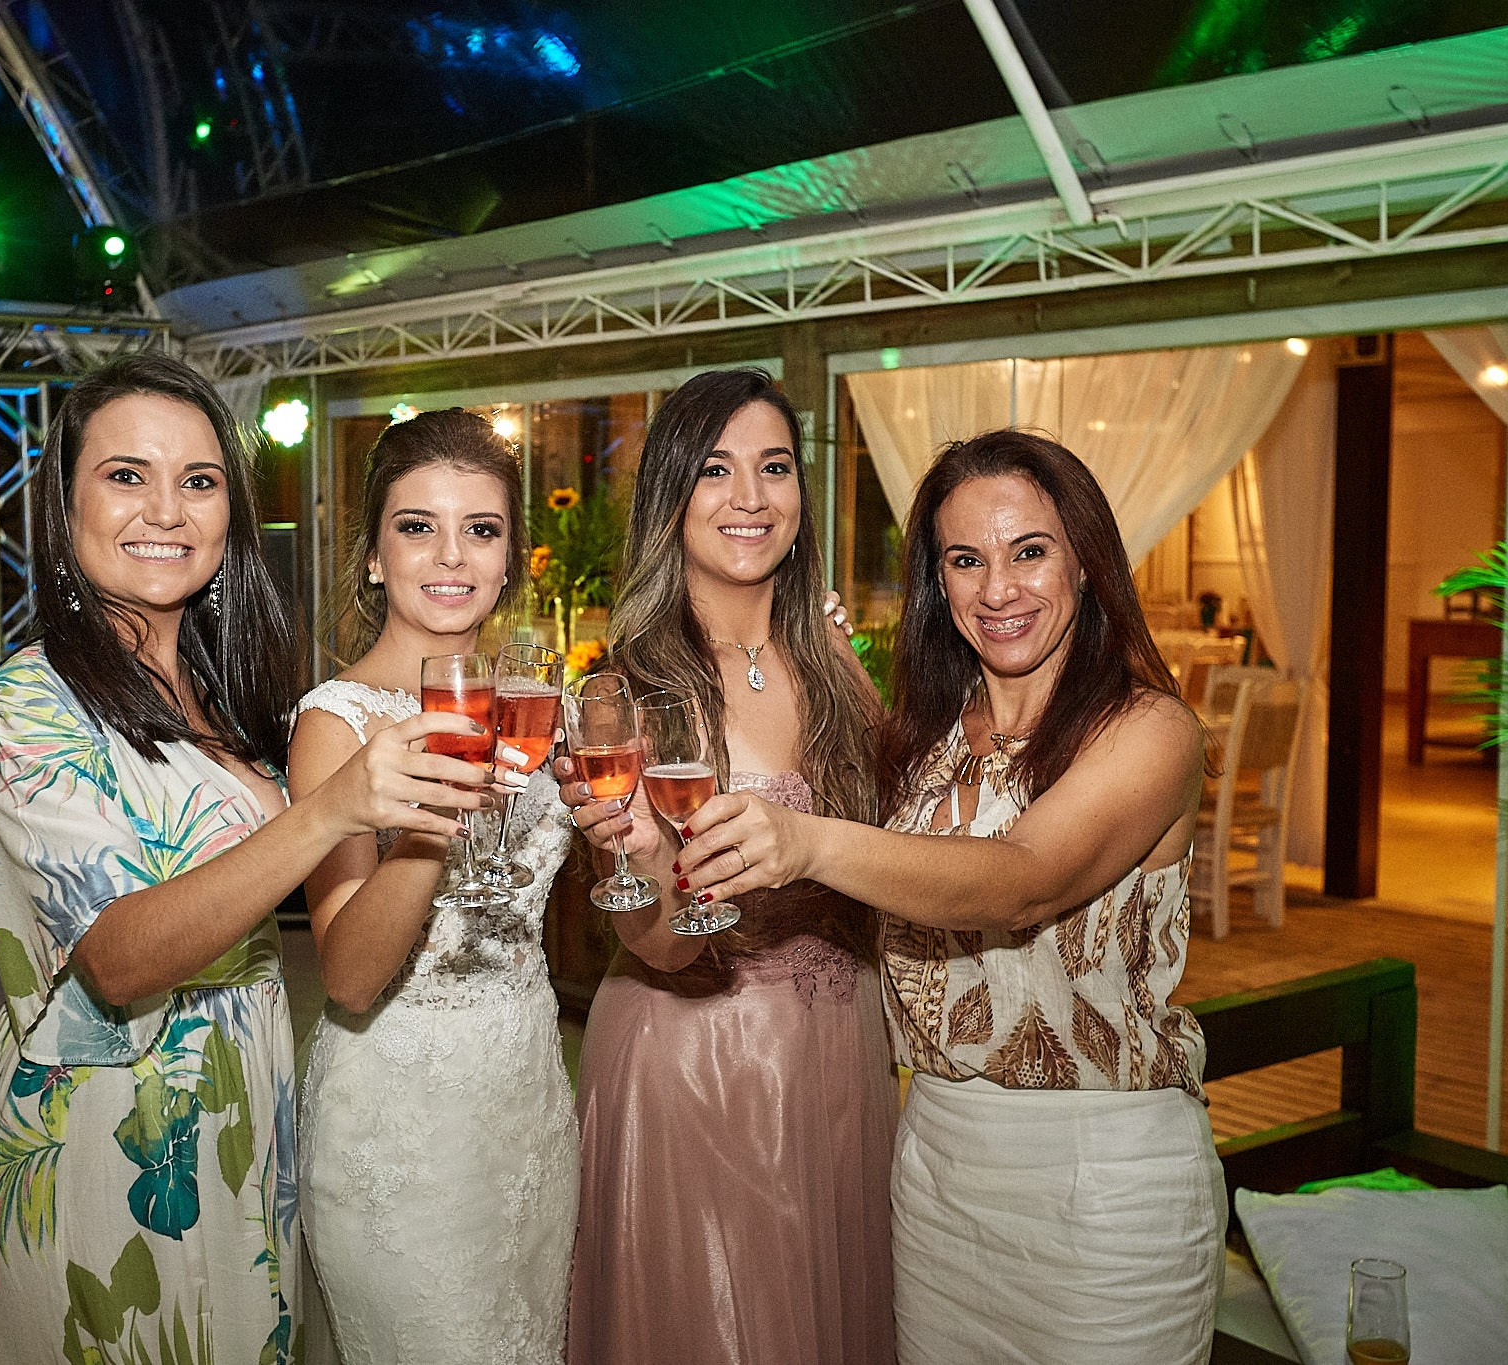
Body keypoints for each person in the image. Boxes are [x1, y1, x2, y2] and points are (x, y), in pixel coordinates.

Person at [0, 355, 491, 1365]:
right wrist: (330, 811)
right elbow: (116, 960)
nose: (166, 509)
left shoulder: (207, 689)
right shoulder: (29, 702)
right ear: (62, 503)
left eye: (198, 480)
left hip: (233, 1132)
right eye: (125, 476)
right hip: (101, 1146)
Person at [678, 429, 1225, 1364]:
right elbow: (906, 854)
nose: (998, 589)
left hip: (1102, 1184)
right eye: (965, 560)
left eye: (1030, 552)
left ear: (1087, 561)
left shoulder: (1149, 731)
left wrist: (807, 841)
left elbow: (1020, 878)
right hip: (933, 1165)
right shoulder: (931, 738)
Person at [559, 368, 896, 1364]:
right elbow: (656, 942)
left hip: (843, 1063)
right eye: (715, 470)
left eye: (774, 467)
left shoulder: (837, 666)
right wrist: (632, 850)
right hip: (698, 1068)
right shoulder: (627, 690)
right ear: (669, 496)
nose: (751, 497)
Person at [289, 409, 578, 1364]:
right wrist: (433, 818)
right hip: (400, 1119)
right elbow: (349, 979)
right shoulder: (336, 724)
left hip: (530, 1094)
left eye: (481, 529)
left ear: (511, 558)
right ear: (373, 555)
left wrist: (641, 842)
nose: (450, 555)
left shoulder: (549, 710)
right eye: (417, 526)